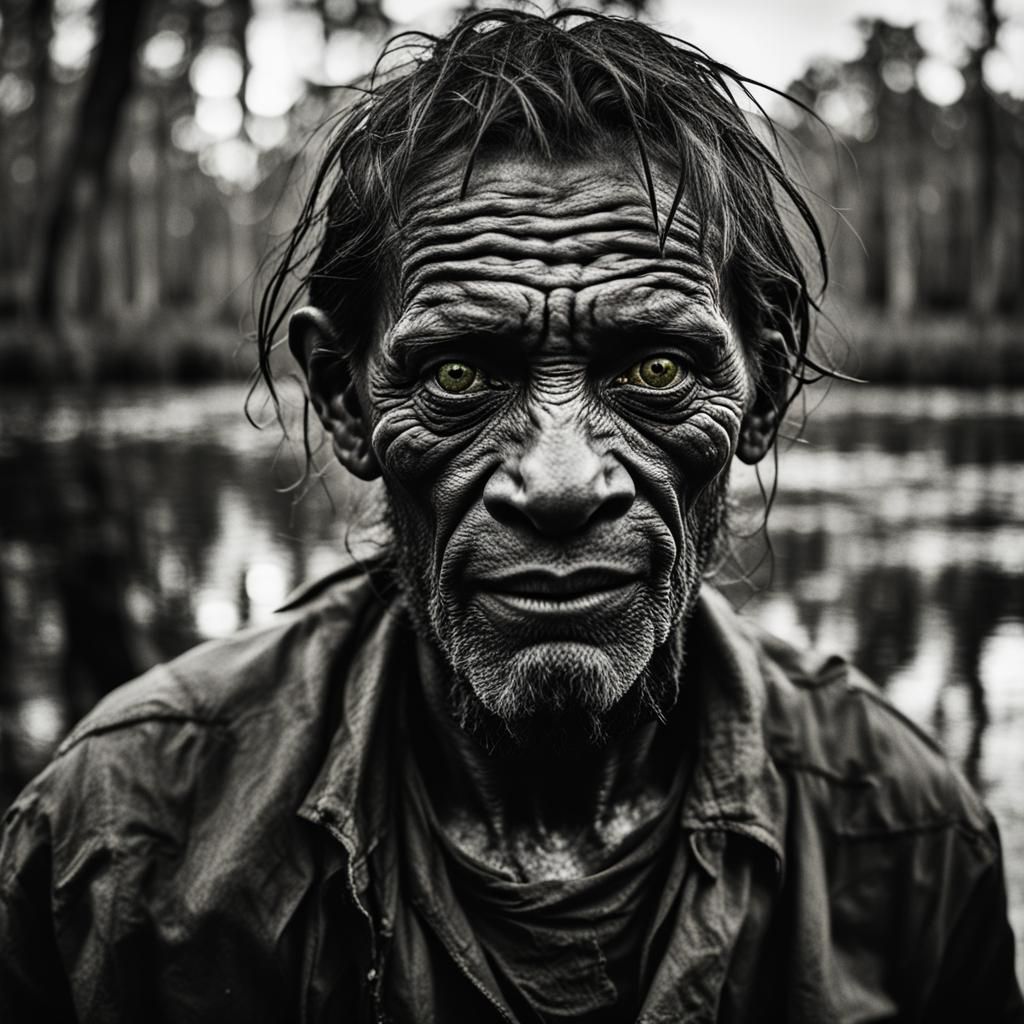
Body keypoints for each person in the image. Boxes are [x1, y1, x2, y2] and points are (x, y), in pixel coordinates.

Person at [2, 9, 1021, 1023]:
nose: (559, 479)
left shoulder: (907, 838)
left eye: (656, 368)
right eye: (457, 372)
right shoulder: (119, 841)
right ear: (346, 398)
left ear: (762, 389)